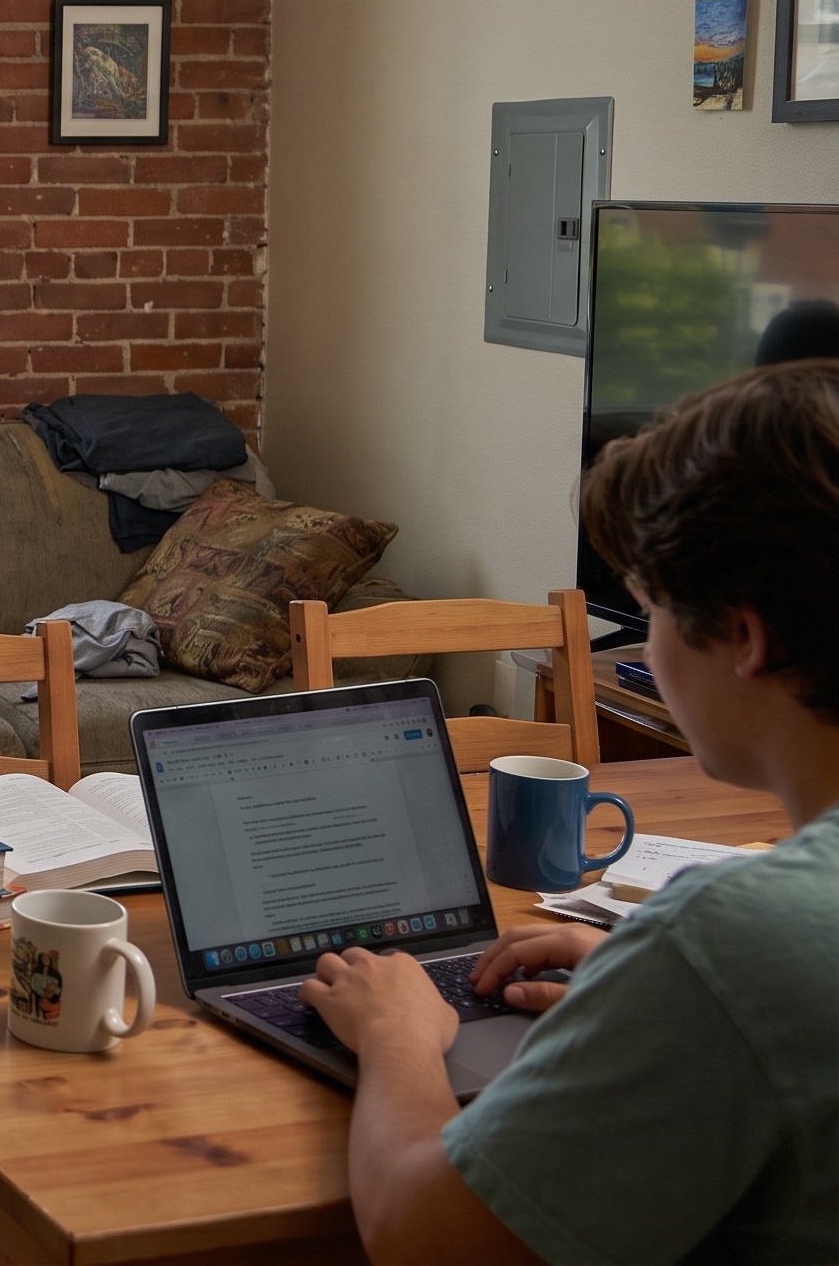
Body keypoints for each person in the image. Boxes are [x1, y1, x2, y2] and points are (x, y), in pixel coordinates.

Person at [298, 360, 839, 1264]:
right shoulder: (728, 955)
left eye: (650, 607)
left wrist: (398, 1037)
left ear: (745, 636)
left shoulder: (733, 938)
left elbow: (419, 1235)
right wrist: (647, 993)